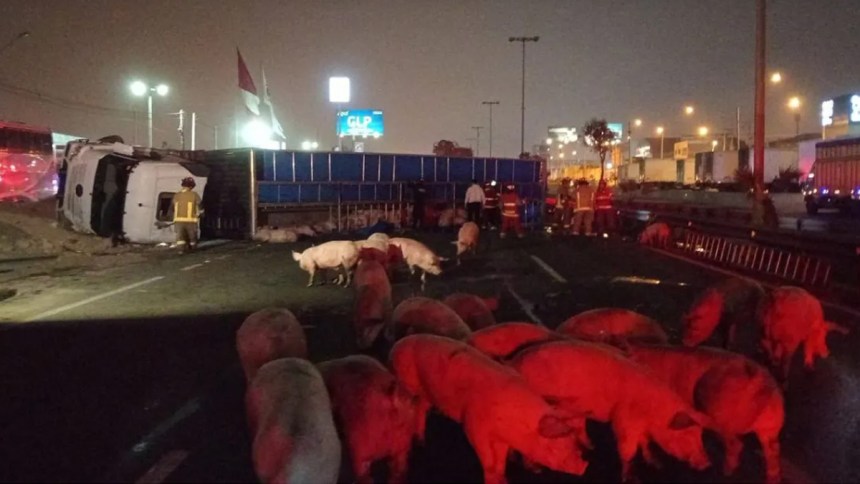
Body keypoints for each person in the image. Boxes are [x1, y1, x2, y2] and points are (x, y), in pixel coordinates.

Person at [172, 177, 202, 253]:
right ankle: (193, 249)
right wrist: (200, 213)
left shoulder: (177, 195)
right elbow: (200, 205)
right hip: (191, 221)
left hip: (178, 221)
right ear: (192, 186)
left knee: (180, 237)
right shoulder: (194, 195)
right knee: (192, 237)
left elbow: (173, 207)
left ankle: (180, 250)